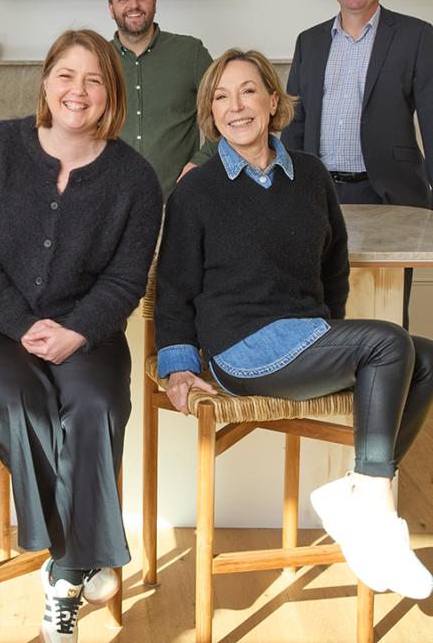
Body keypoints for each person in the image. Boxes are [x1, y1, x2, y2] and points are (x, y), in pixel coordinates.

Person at [155, 48, 433, 600]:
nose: (236, 106)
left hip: (306, 338)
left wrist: (333, 339)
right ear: (210, 115)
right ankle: (373, 509)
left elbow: (333, 268)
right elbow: (174, 289)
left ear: (272, 100)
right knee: (387, 343)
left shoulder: (310, 175)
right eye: (221, 97)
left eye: (248, 91)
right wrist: (178, 368)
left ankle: (360, 492)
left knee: (424, 358)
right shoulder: (197, 189)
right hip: (239, 350)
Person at [0, 29, 162, 641]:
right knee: (19, 398)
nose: (78, 90)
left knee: (93, 406)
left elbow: (126, 280)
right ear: (46, 82)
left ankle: (62, 581)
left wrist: (76, 331)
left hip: (88, 333)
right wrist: (22, 324)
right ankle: (81, 554)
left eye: (95, 79)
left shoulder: (136, 180)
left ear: (110, 93)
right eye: (67, 75)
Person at [282, 0, 433, 328]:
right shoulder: (309, 41)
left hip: (390, 195)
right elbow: (294, 123)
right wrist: (286, 190)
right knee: (322, 302)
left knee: (386, 306)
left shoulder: (416, 36)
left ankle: (388, 384)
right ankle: (333, 384)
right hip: (321, 193)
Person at [107, 0, 215, 197]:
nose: (133, 5)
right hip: (112, 201)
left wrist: (202, 162)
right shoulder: (97, 58)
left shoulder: (190, 52)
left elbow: (227, 115)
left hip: (178, 200)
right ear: (111, 9)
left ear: (154, 3)